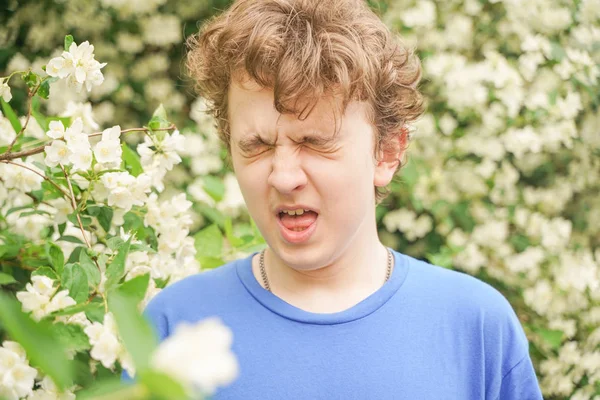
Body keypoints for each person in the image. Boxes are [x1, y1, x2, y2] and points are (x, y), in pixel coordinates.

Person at [133, 0, 544, 398]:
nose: (284, 176)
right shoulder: (175, 327)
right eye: (256, 145)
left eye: (314, 143)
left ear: (387, 152)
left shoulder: (476, 327)